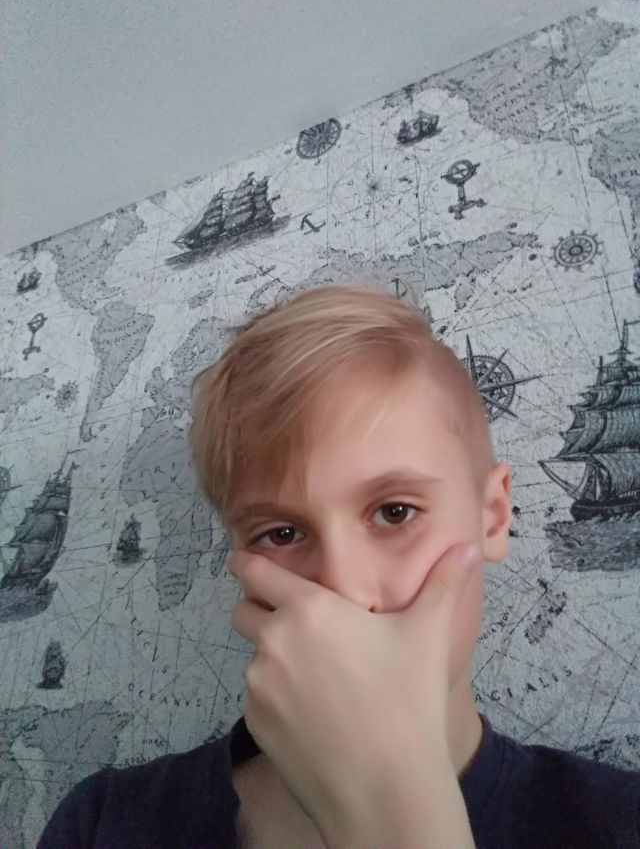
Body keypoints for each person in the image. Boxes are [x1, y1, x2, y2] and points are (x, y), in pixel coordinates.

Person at [38, 283, 640, 848]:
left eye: (396, 512)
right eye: (282, 533)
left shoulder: (619, 820)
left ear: (492, 516)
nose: (344, 591)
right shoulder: (103, 822)